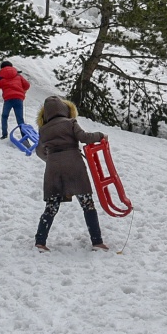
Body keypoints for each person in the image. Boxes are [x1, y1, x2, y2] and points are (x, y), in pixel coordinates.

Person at [33, 96, 108, 252]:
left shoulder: (43, 129)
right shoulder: (70, 123)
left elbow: (39, 151)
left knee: (51, 206)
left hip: (53, 169)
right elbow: (84, 138)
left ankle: (40, 242)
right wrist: (101, 135)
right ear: (64, 109)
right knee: (87, 204)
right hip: (75, 166)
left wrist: (51, 159)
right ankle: (97, 242)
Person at [0, 61, 31, 139]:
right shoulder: (18, 75)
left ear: (2, 68)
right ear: (11, 66)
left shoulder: (0, 78)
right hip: (19, 99)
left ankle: (4, 135)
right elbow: (27, 85)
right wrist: (22, 90)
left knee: (4, 116)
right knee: (20, 119)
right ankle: (24, 137)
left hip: (8, 100)